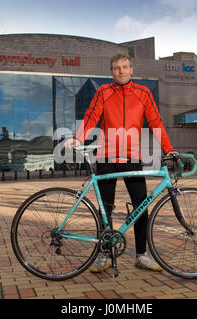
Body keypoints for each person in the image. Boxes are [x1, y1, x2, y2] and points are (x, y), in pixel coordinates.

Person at [64, 53, 177, 273]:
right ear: (111, 71)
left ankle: (141, 256)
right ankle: (104, 255)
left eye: (125, 67)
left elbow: (156, 122)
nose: (121, 71)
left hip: (133, 157)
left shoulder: (143, 93)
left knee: (141, 207)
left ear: (131, 69)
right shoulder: (103, 92)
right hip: (106, 157)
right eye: (116, 68)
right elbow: (91, 117)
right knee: (104, 209)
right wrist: (79, 138)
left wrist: (168, 148)